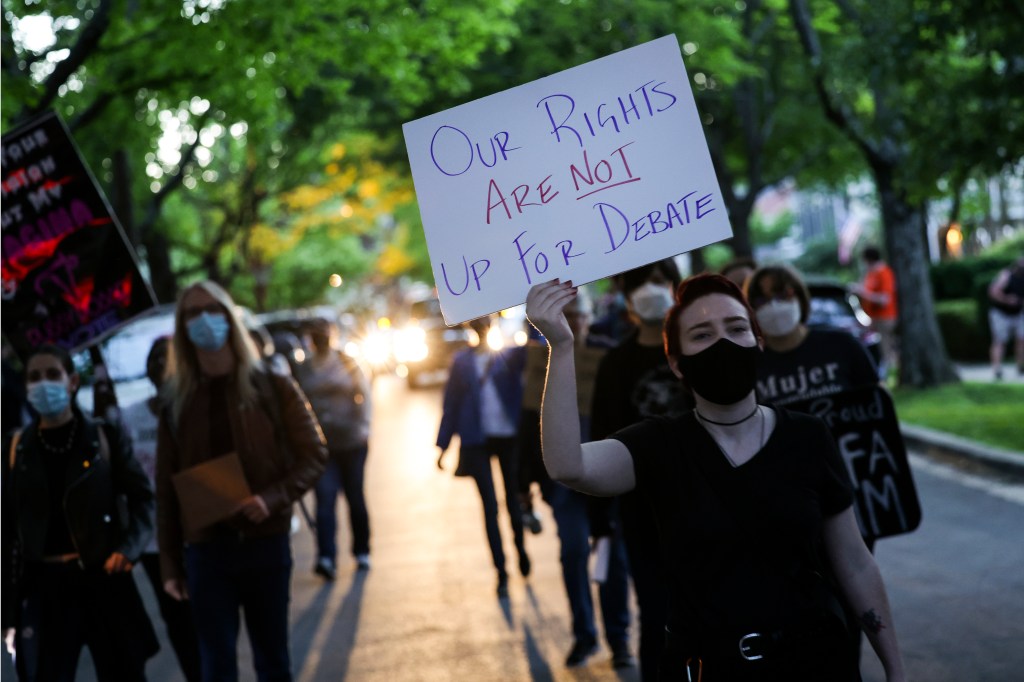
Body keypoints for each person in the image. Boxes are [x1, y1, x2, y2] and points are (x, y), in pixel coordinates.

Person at [525, 274, 907, 681]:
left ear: (757, 342)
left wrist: (895, 669)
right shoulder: (658, 445)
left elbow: (854, 563)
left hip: (816, 664)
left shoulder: (808, 436)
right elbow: (568, 465)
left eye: (737, 328)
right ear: (676, 362)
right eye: (702, 334)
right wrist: (561, 347)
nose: (723, 343)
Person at [156, 280, 327, 682]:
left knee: (273, 663)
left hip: (264, 543)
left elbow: (315, 453)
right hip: (206, 553)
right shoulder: (176, 401)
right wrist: (169, 564)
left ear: (229, 317)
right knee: (217, 667)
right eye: (192, 313)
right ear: (182, 328)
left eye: (212, 309)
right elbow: (165, 489)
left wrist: (272, 498)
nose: (204, 320)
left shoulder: (272, 384)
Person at [2, 344, 158, 681]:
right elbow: (7, 531)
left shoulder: (103, 436)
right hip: (45, 590)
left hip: (104, 581)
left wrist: (127, 549)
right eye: (34, 377)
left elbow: (144, 499)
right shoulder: (15, 450)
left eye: (52, 375)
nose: (44, 384)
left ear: (72, 381)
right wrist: (8, 609)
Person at [517, 288, 634, 669]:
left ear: (588, 318)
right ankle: (585, 635)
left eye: (578, 315)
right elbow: (528, 425)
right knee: (573, 554)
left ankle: (618, 640)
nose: (575, 322)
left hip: (605, 474)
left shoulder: (609, 356)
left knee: (610, 558)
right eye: (567, 316)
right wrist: (526, 483)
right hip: (565, 484)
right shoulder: (541, 362)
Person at [589, 259, 690, 682]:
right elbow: (601, 438)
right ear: (628, 298)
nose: (653, 289)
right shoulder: (615, 363)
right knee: (656, 616)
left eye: (660, 280)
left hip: (704, 500)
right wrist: (600, 519)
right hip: (643, 511)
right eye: (643, 282)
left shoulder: (694, 350)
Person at [119, 337, 202, 682]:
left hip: (199, 533)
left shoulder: (196, 411)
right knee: (177, 619)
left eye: (166, 359)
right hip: (156, 540)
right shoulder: (128, 417)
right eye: (153, 359)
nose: (159, 367)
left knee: (208, 616)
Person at [436, 315, 530, 598]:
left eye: (484, 322)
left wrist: (532, 318)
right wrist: (443, 447)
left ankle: (520, 549)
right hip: (476, 439)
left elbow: (536, 347)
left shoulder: (509, 356)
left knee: (513, 500)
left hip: (507, 436)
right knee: (490, 507)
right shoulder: (461, 362)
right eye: (476, 323)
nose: (481, 327)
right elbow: (450, 405)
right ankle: (501, 571)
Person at [294, 318, 373, 579]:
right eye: (315, 334)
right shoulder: (304, 369)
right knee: (325, 500)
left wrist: (364, 427)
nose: (320, 339)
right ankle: (326, 556)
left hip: (352, 442)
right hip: (322, 448)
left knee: (355, 499)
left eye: (324, 334)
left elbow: (365, 395)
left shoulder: (347, 363)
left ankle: (362, 551)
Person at [746, 264, 879, 406]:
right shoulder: (750, 368)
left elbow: (877, 400)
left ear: (800, 296)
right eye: (762, 301)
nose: (773, 305)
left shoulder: (842, 345)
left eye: (783, 294)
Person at [852, 245, 899, 378]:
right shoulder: (871, 273)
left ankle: (890, 376)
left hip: (885, 317)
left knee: (887, 349)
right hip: (874, 318)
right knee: (880, 349)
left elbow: (885, 299)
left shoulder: (884, 273)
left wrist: (864, 293)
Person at [986, 256, 1024, 380]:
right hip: (1001, 314)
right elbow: (993, 291)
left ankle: (1020, 366)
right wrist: (1007, 300)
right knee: (999, 341)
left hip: (1018, 314)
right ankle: (997, 370)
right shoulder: (1006, 276)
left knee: (1021, 340)